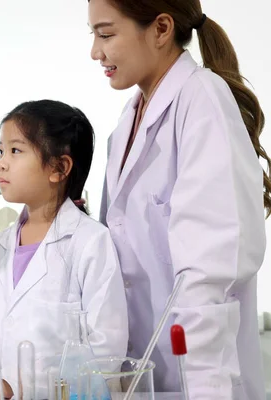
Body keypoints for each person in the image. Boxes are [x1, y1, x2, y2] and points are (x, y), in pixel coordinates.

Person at [88, 0, 270, 397]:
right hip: (145, 367)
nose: (95, 52)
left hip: (199, 373)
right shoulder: (127, 120)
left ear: (161, 28)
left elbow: (212, 267)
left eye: (106, 34)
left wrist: (204, 385)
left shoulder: (202, 99)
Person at [0, 100, 128, 399]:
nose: (2, 162)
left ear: (59, 168)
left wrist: (37, 388)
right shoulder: (4, 242)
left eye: (16, 151)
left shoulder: (90, 241)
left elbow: (107, 345)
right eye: (1, 150)